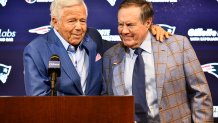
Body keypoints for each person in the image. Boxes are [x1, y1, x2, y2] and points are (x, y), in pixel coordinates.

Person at [23, 0, 170, 96]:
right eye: (72, 21)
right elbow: (39, 100)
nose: (79, 27)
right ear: (55, 22)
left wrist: (147, 29)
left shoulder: (92, 36)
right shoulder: (35, 51)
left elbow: (123, 45)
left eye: (82, 20)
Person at [103, 0, 213, 123]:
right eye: (120, 24)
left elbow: (201, 94)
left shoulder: (178, 45)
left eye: (130, 25)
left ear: (148, 22)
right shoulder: (110, 56)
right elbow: (108, 103)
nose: (124, 31)